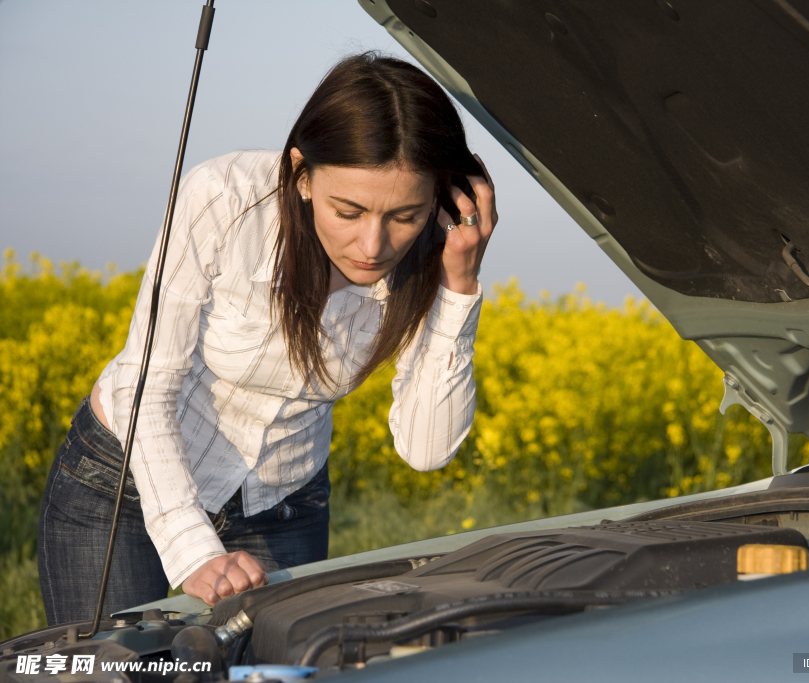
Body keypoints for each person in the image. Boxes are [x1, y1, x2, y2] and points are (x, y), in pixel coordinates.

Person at [37, 52, 497, 625]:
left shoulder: (433, 252)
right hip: (124, 486)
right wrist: (194, 551)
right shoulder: (224, 199)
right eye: (347, 211)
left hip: (283, 507)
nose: (373, 245)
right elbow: (145, 386)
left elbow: (426, 451)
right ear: (302, 175)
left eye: (403, 215)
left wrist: (458, 284)